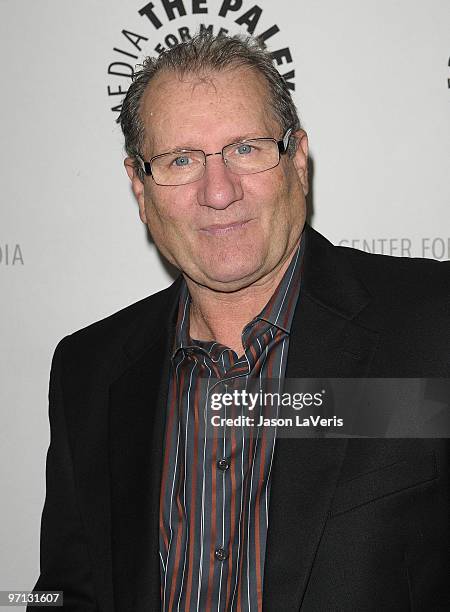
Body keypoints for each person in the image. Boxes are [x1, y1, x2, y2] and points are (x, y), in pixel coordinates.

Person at [29, 33, 449, 611]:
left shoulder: (434, 326)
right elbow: (67, 595)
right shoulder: (88, 371)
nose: (219, 191)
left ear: (296, 158)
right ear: (140, 187)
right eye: (180, 160)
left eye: (246, 149)